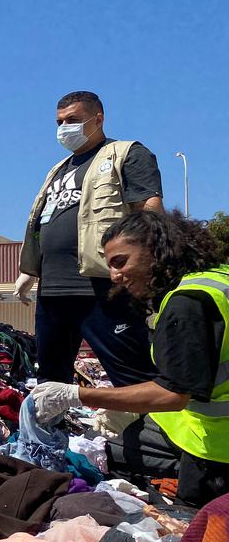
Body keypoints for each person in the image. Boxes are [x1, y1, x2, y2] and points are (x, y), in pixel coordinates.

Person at [31, 209, 227, 507]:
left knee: (196, 530)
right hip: (211, 428)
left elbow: (172, 394)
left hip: (216, 447)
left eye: (120, 262)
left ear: (156, 250)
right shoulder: (216, 281)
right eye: (109, 266)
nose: (114, 276)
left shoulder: (187, 303)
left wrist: (77, 394)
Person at [16, 91, 163, 386]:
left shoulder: (126, 154)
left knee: (132, 375)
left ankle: (145, 432)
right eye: (59, 122)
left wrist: (140, 268)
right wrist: (29, 270)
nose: (63, 128)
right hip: (53, 291)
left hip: (103, 287)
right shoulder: (57, 169)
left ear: (98, 119)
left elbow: (149, 211)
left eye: (72, 120)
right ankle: (49, 432)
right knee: (49, 379)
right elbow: (42, 221)